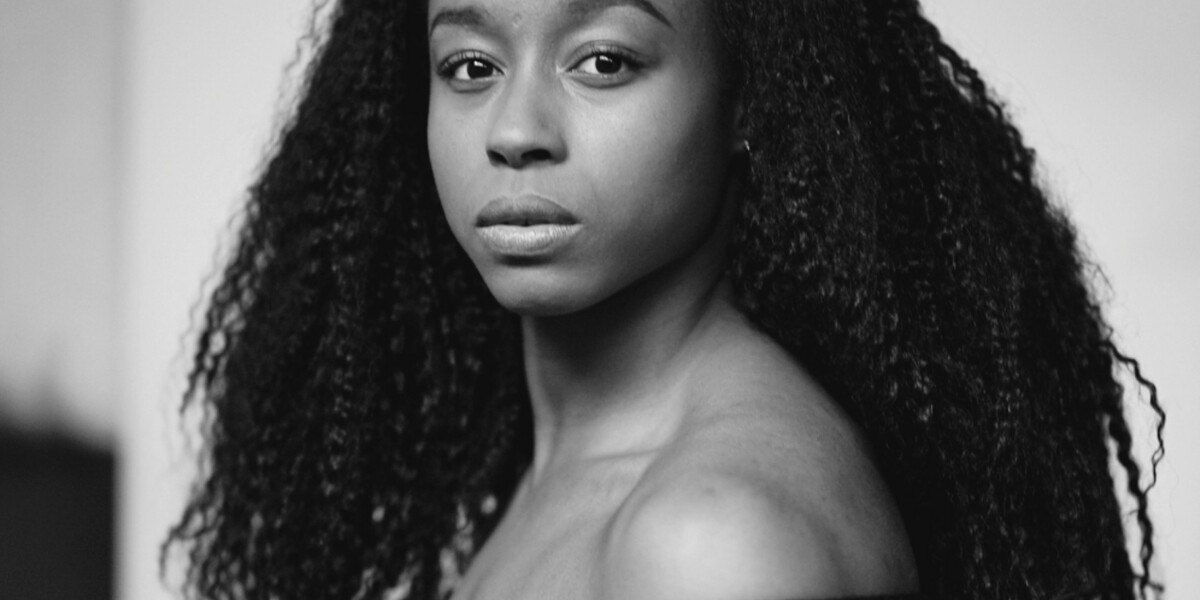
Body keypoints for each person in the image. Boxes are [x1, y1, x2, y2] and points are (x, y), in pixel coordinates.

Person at [164, 0, 1165, 599]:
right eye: (469, 65)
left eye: (605, 60)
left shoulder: (714, 539)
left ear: (744, 96)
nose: (514, 129)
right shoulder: (578, 468)